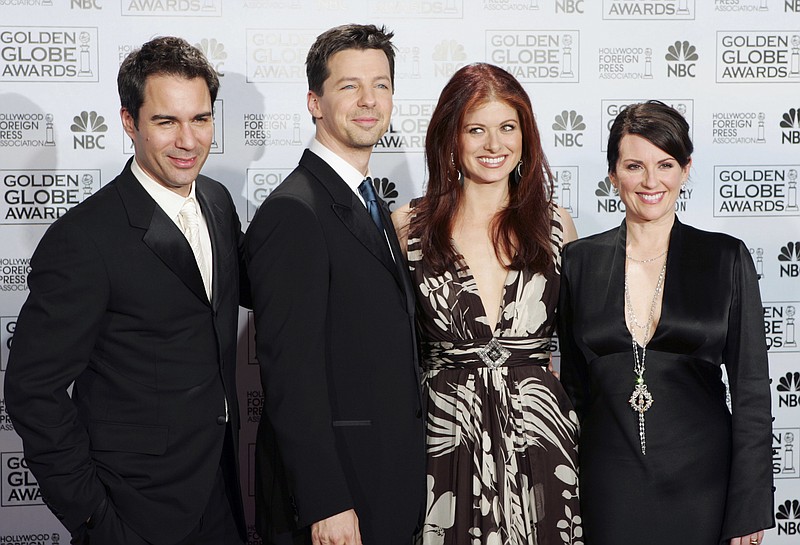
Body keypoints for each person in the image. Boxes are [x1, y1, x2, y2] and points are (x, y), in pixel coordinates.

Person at [4, 36, 248, 545]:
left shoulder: (220, 203)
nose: (188, 140)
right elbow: (32, 391)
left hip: (222, 498)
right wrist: (94, 519)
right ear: (129, 122)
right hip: (133, 511)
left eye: (200, 119)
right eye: (166, 121)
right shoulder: (85, 238)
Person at [557, 100, 774, 545]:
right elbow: (575, 392)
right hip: (608, 484)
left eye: (666, 164)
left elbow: (751, 391)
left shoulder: (725, 258)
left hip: (705, 487)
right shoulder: (578, 262)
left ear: (685, 169)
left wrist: (749, 506)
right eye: (634, 165)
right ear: (613, 174)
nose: (651, 181)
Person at [245, 24, 426, 545]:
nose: (369, 101)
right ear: (314, 103)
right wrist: (326, 501)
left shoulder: (369, 203)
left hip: (385, 483)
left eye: (382, 85)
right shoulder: (294, 211)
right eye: (349, 86)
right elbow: (289, 374)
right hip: (337, 502)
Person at [391, 62, 581, 544]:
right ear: (450, 138)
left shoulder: (556, 226)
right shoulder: (406, 227)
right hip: (443, 441)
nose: (494, 146)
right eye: (476, 130)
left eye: (507, 128)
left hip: (542, 438)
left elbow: (582, 349)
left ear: (525, 134)